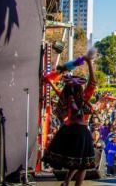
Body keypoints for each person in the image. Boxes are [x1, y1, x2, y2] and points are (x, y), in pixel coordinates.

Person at [42, 50, 97, 186]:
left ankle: (66, 182)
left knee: (75, 160)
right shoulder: (83, 98)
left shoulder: (65, 97)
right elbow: (93, 82)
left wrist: (50, 82)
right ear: (79, 87)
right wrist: (89, 63)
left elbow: (59, 93)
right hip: (81, 132)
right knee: (82, 164)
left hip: (68, 131)